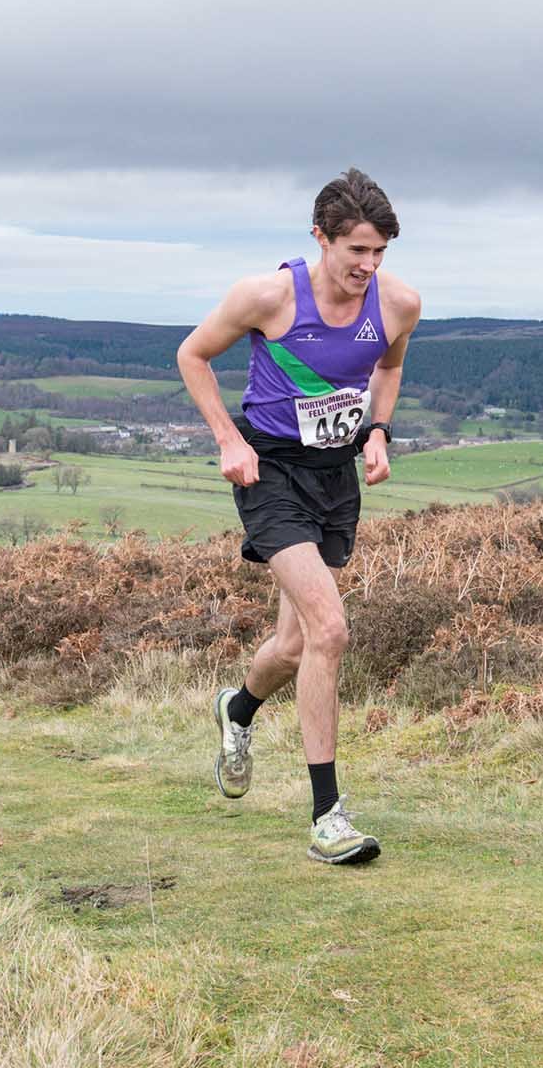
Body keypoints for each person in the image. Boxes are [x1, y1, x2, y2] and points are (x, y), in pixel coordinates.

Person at [175, 169, 421, 865]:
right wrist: (227, 439)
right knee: (331, 626)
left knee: (292, 647)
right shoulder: (269, 295)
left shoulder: (399, 303)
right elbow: (192, 355)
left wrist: (378, 431)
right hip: (270, 473)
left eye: (379, 253)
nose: (368, 267)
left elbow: (389, 366)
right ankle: (327, 817)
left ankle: (238, 709)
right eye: (357, 251)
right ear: (322, 237)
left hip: (334, 477)